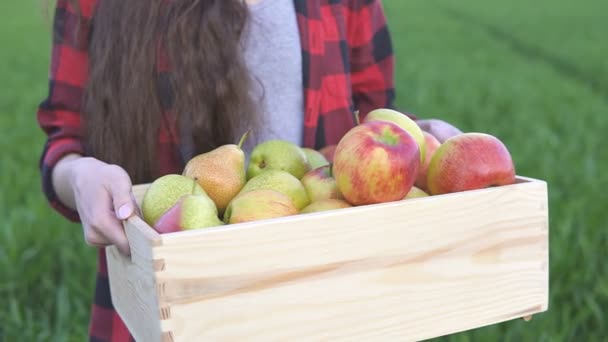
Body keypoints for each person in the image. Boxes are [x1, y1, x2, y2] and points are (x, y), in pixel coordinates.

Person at [36, 0, 461, 340]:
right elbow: (65, 138)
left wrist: (417, 141)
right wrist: (78, 176)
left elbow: (369, 123)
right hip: (169, 305)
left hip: (322, 297)